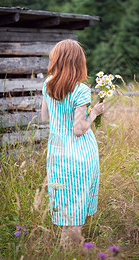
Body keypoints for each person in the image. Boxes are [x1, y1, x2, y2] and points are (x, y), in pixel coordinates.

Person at [41, 39, 105, 249]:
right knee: (75, 212)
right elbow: (79, 130)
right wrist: (95, 112)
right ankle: (72, 253)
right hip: (79, 156)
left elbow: (44, 118)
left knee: (64, 207)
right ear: (79, 62)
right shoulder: (81, 90)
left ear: (57, 59)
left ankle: (65, 251)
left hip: (57, 152)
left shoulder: (47, 83)